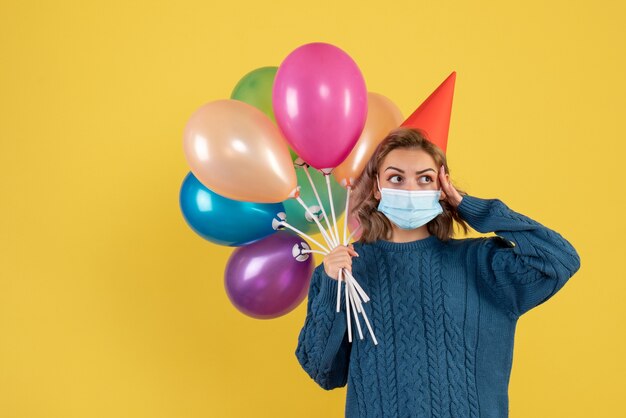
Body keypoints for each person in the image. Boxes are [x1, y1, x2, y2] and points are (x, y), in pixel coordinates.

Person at [294, 127, 581, 418]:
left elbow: (560, 260)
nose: (410, 189)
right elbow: (323, 372)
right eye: (396, 178)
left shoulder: (481, 262)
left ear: (441, 189)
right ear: (377, 188)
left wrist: (469, 206)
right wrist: (332, 287)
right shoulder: (345, 270)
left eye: (425, 179)